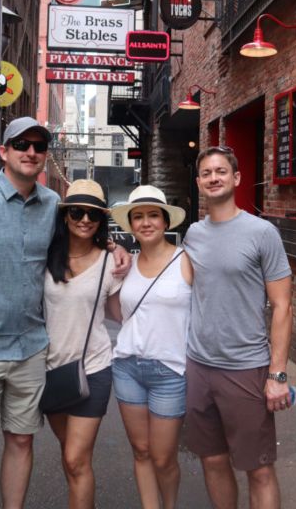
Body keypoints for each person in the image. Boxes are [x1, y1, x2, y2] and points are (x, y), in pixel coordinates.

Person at [0, 117, 129, 509]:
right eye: (21, 144)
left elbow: (82, 234)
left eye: (39, 146)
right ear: (4, 151)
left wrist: (113, 248)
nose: (31, 152)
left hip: (32, 353)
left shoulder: (55, 206)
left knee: (21, 441)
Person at [183, 145, 293, 509]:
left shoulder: (262, 233)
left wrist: (277, 374)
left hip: (246, 368)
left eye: (221, 171)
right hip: (199, 366)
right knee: (212, 460)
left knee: (258, 468)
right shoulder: (193, 235)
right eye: (207, 173)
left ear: (237, 178)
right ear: (199, 182)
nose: (214, 178)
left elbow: (282, 306)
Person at [108, 185, 193, 509]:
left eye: (153, 215)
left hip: (171, 370)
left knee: (163, 457)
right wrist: (111, 244)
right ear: (130, 224)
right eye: (138, 217)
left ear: (165, 221)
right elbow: (118, 312)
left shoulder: (186, 261)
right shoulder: (124, 263)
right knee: (141, 451)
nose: (146, 223)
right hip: (128, 365)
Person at [43, 179, 122, 509]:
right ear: (65, 216)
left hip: (94, 370)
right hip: (50, 372)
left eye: (93, 214)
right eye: (77, 211)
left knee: (76, 458)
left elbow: (123, 314)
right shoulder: (44, 258)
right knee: (70, 455)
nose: (85, 219)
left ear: (101, 220)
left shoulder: (111, 263)